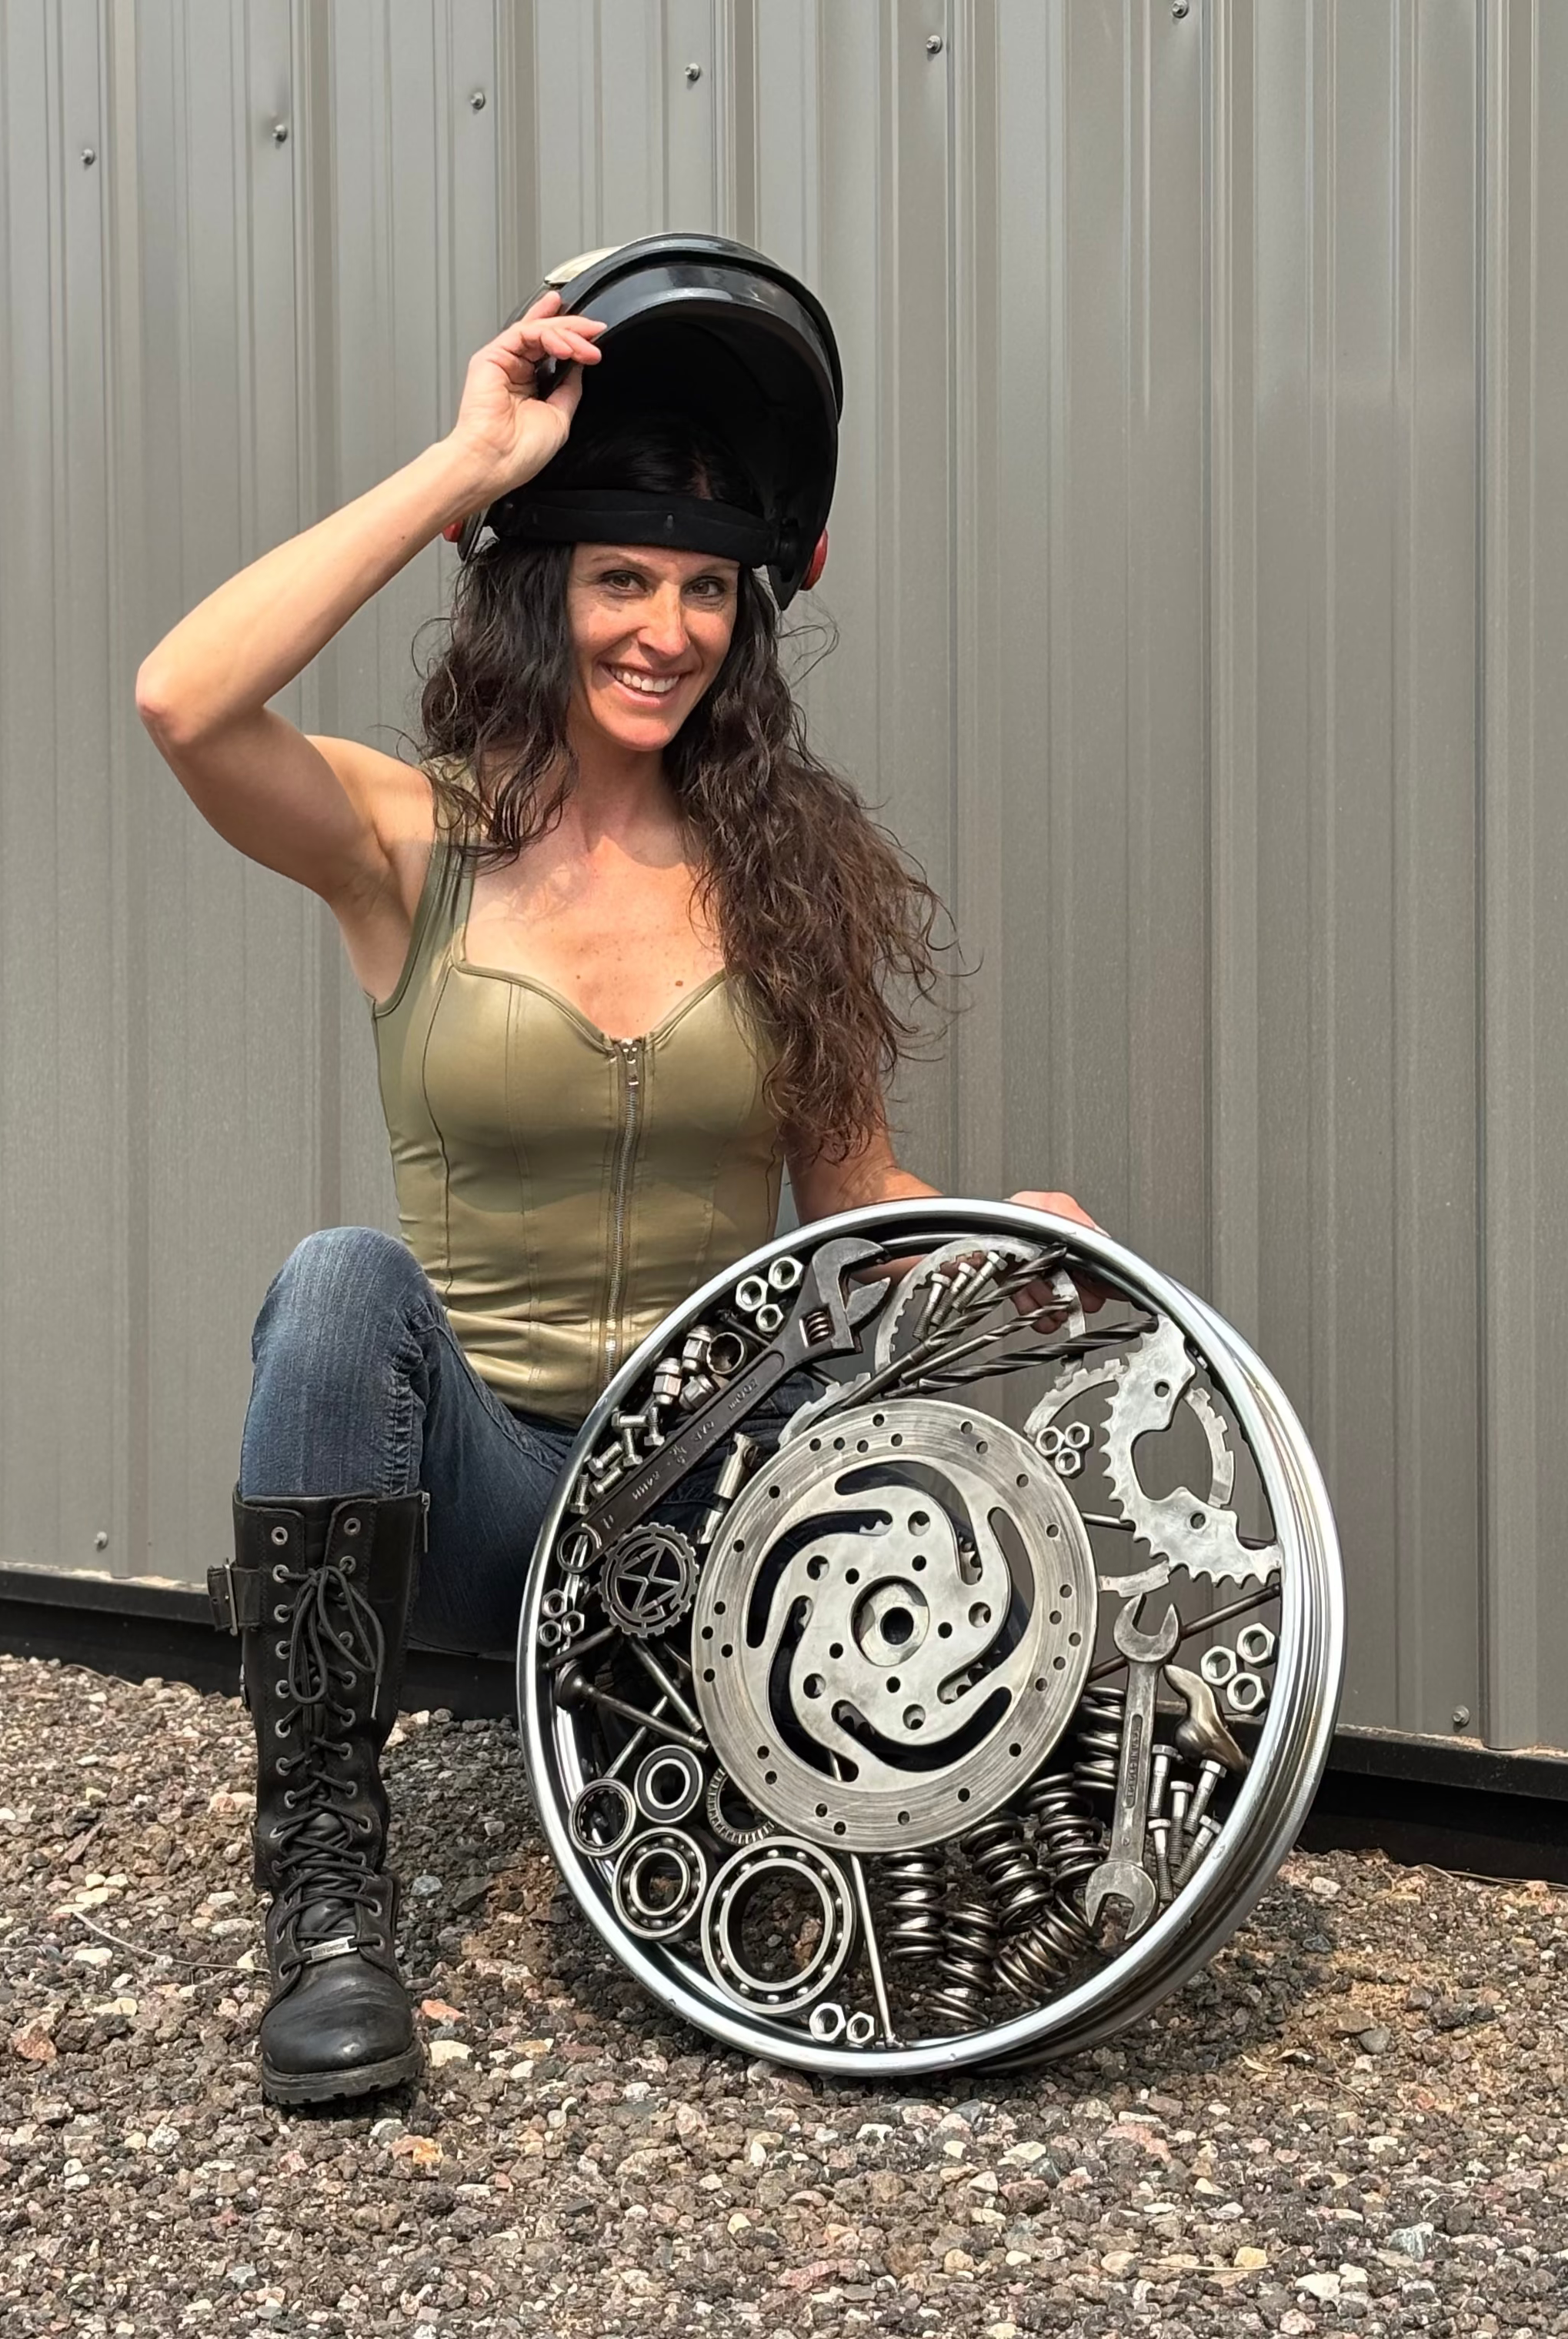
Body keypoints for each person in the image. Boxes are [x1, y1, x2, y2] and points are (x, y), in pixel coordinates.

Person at [136, 245, 1095, 2105]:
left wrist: (990, 1243)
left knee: (843, 1392)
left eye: (705, 590)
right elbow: (185, 697)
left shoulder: (786, 876)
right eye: (619, 579)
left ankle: (863, 1777)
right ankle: (330, 1892)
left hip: (704, 1510)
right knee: (339, 1277)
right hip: (476, 1498)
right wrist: (463, 461)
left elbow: (854, 1192)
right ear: (541, 593)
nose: (665, 627)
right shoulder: (408, 837)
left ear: (750, 614)